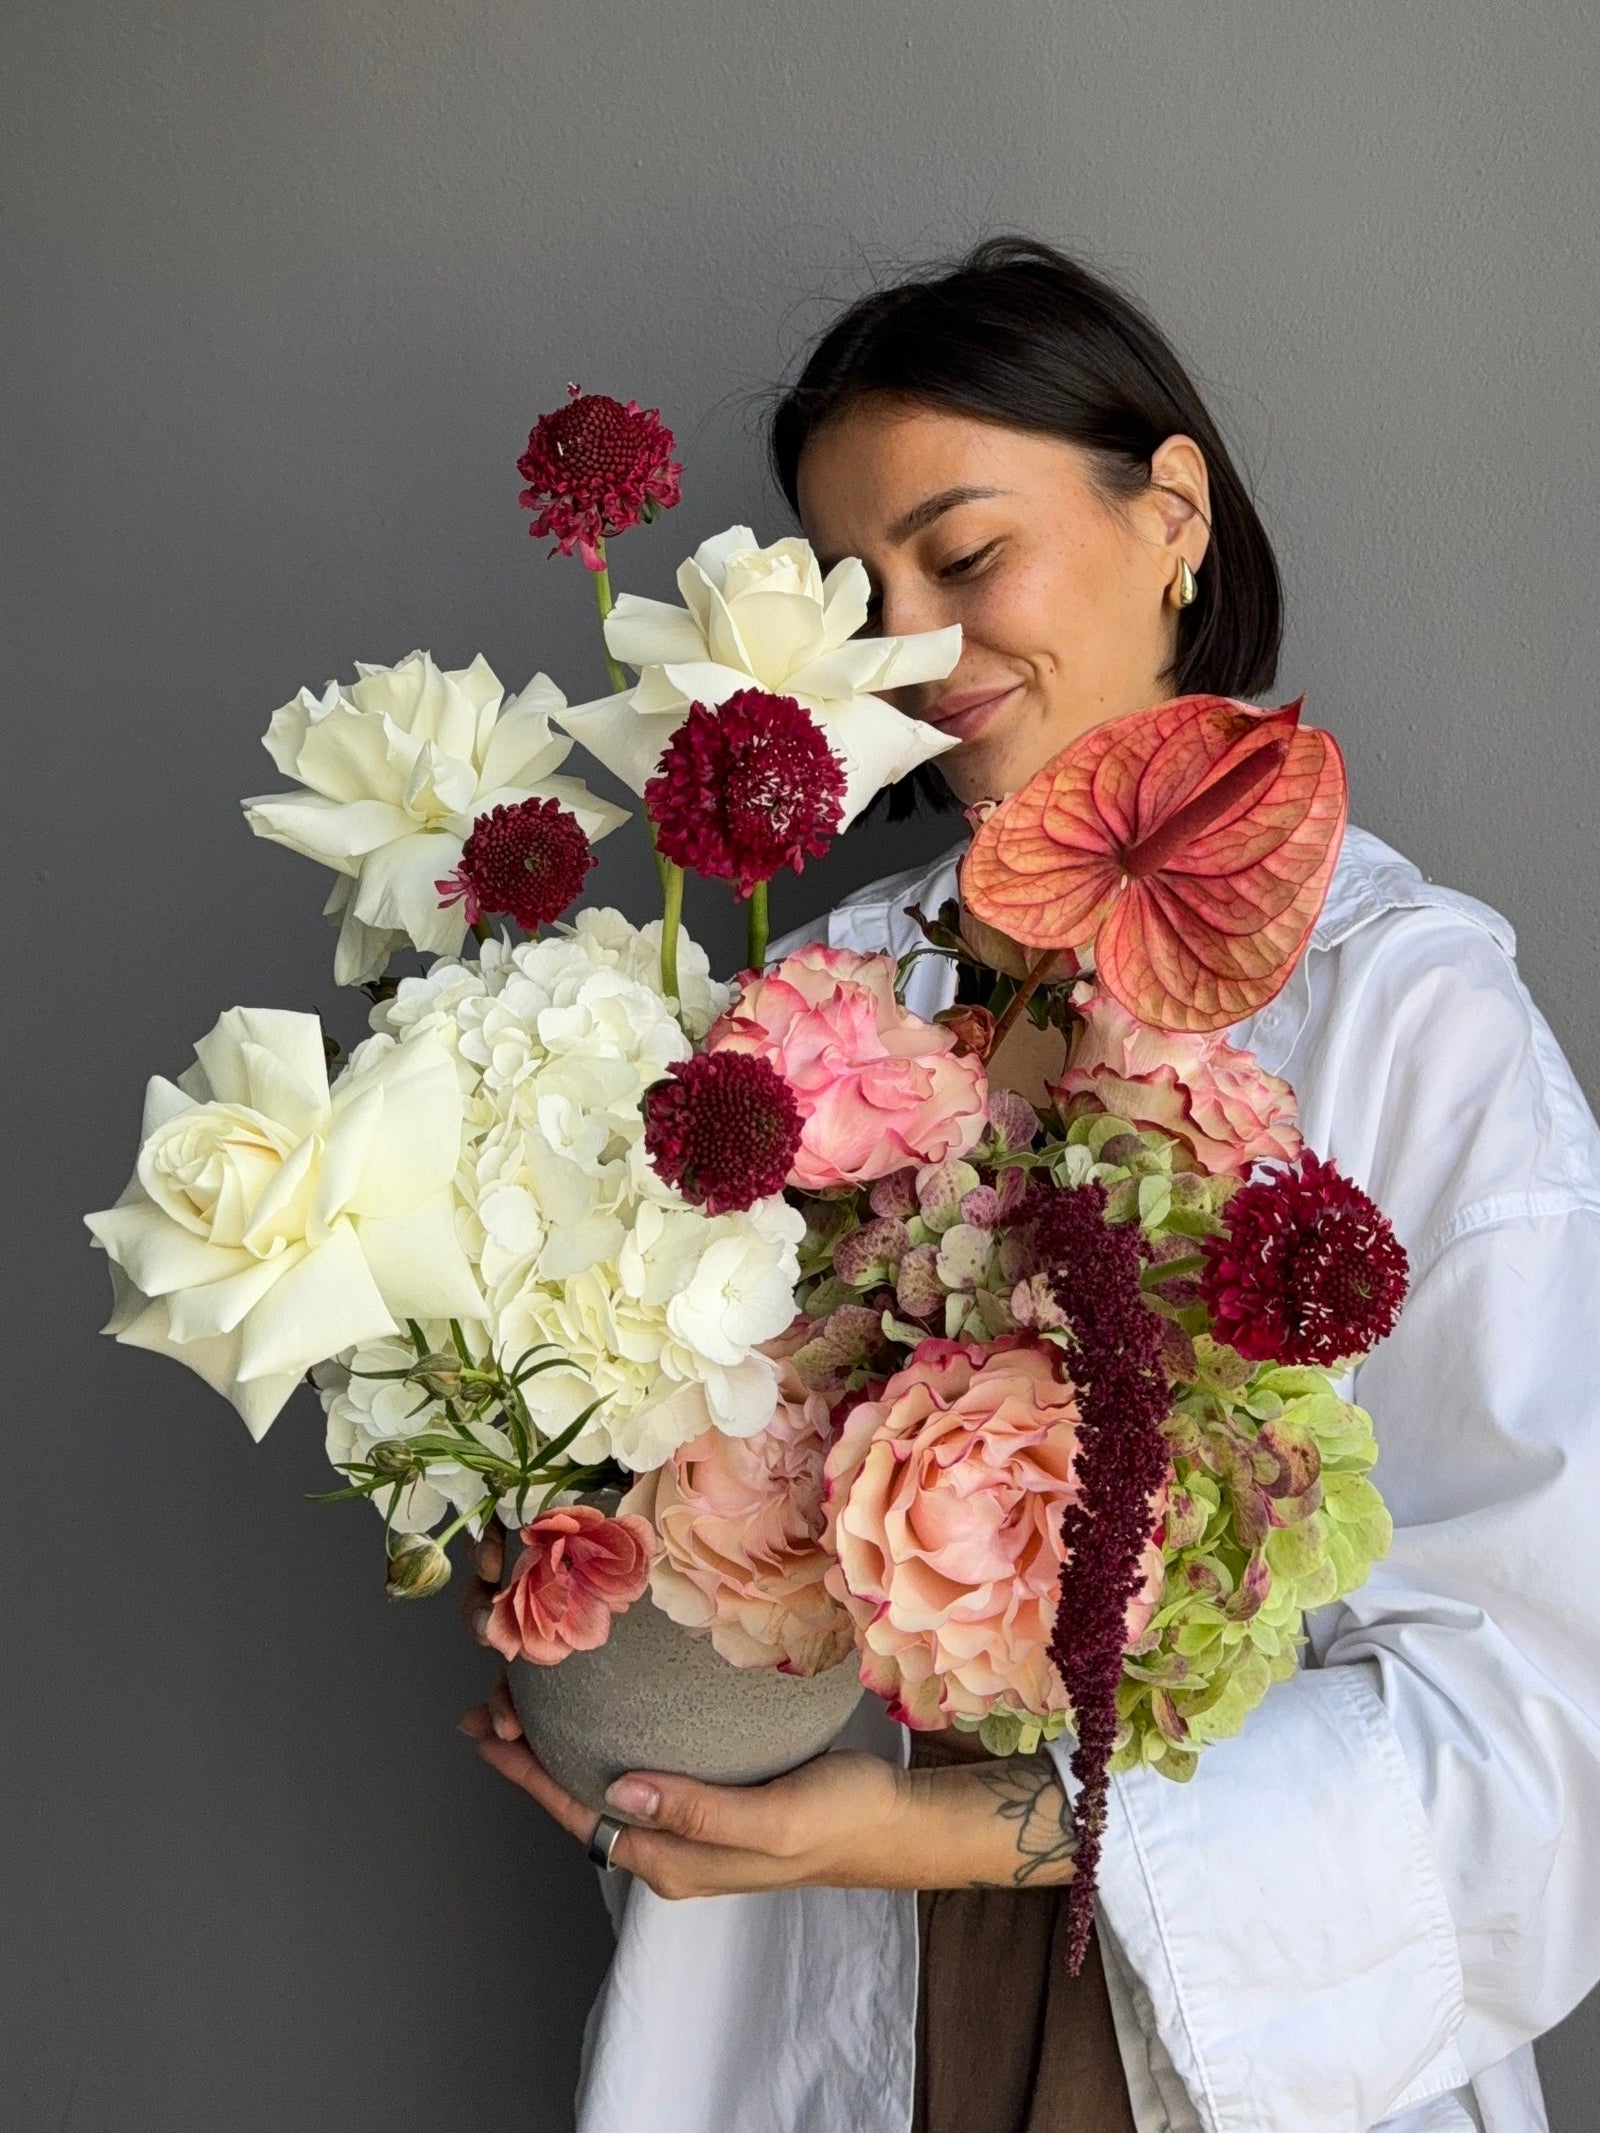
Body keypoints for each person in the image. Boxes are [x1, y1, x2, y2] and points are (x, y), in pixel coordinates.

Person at [457, 238, 1600, 2132]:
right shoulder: (818, 1004)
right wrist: (592, 1579)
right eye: (863, 602)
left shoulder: (1407, 1011)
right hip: (820, 2004)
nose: (916, 652)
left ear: (1173, 515)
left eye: (966, 557)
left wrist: (956, 1828)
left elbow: (1543, 1731)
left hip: (1237, 2024)